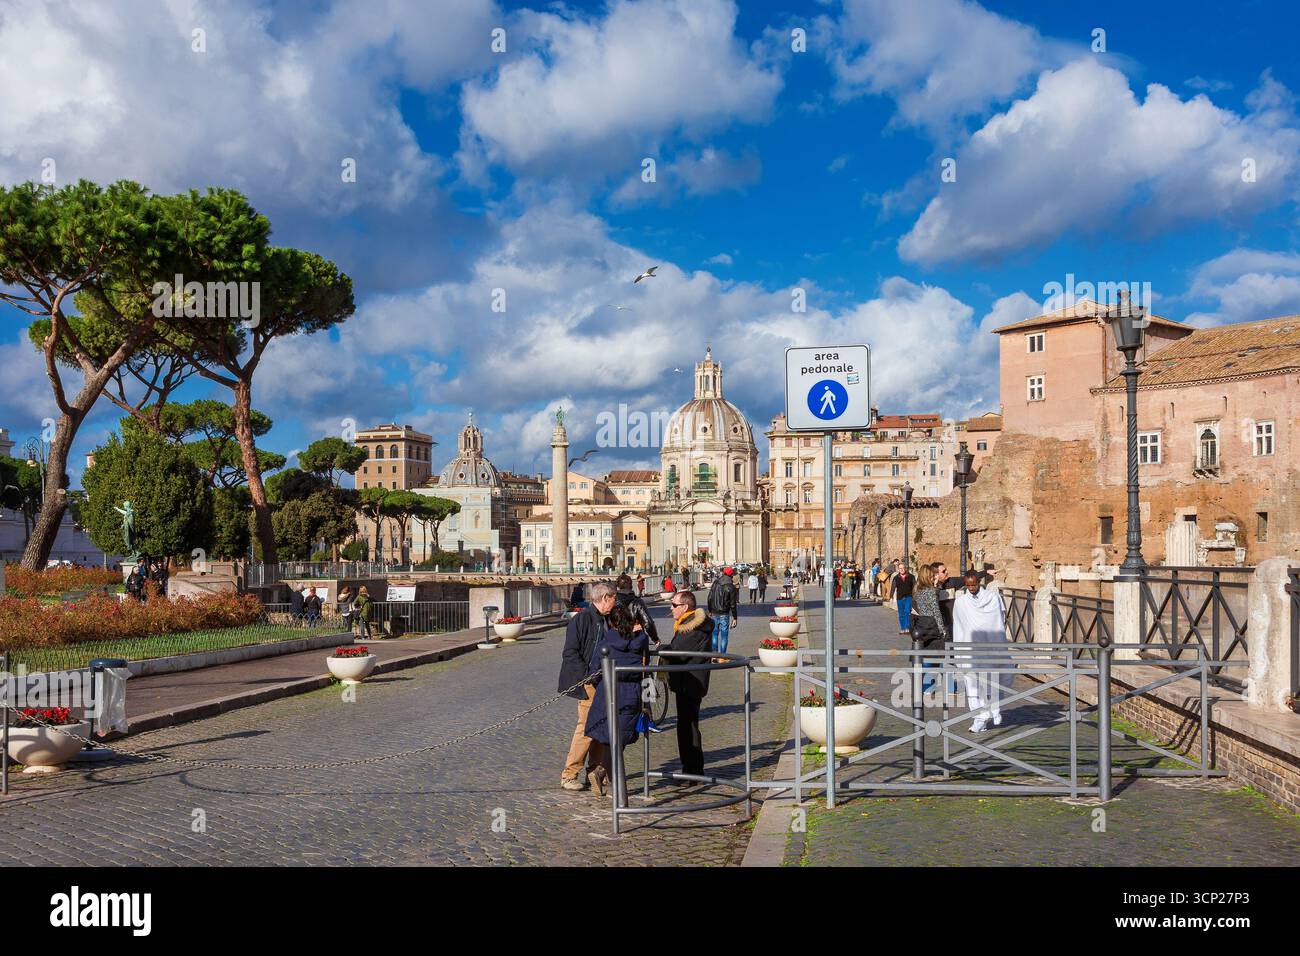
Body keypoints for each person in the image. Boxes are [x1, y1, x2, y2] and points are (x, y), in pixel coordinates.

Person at [584, 603, 651, 799]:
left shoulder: (606, 642)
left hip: (609, 692)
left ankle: (611, 782)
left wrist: (601, 686)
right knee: (619, 737)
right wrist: (648, 699)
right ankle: (608, 778)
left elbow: (594, 670)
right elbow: (647, 668)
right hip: (632, 692)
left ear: (612, 622)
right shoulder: (641, 640)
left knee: (610, 738)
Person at [558, 581, 616, 791]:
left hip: (603, 680)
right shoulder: (581, 620)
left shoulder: (608, 620)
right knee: (585, 727)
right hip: (588, 680)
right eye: (614, 598)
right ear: (605, 598)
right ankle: (569, 774)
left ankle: (595, 770)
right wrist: (586, 676)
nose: (615, 602)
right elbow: (570, 653)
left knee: (600, 725)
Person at [952, 569, 1013, 733]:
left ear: (978, 582)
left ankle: (994, 709)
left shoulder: (993, 598)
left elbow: (999, 619)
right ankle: (979, 718)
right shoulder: (961, 602)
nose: (971, 588)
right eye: (968, 585)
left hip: (989, 645)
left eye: (973, 584)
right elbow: (959, 625)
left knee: (991, 679)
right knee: (972, 684)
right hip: (969, 647)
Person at [665, 590, 712, 781]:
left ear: (685, 607)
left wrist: (661, 649)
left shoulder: (693, 628)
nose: (671, 608)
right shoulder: (689, 624)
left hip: (690, 682)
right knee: (687, 725)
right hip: (688, 680)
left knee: (688, 727)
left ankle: (693, 771)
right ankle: (691, 769)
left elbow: (678, 651)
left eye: (674, 605)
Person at [909, 564, 947, 693]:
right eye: (932, 576)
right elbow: (936, 611)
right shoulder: (931, 591)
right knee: (942, 656)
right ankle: (949, 685)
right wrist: (943, 629)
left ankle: (926, 687)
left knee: (924, 656)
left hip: (921, 625)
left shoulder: (916, 590)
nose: (933, 578)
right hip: (932, 625)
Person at [614, 573, 659, 645]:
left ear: (618, 586)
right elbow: (648, 623)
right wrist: (655, 638)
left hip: (616, 639)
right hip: (635, 638)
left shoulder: (613, 601)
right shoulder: (637, 602)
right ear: (631, 585)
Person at [706, 567, 739, 654]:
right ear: (731, 575)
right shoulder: (731, 587)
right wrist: (735, 618)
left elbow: (709, 598)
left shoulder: (716, 583)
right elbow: (733, 604)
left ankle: (714, 655)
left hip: (714, 612)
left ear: (723, 573)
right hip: (724, 613)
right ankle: (723, 657)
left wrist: (710, 610)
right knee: (724, 636)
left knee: (714, 634)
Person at [890, 564, 914, 635]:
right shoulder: (896, 578)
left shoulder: (911, 577)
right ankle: (902, 628)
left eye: (903, 568)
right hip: (899, 598)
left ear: (905, 568)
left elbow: (915, 587)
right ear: (898, 569)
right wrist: (891, 597)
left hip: (908, 597)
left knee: (907, 611)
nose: (902, 569)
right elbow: (893, 588)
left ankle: (907, 627)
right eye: (900, 568)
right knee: (901, 614)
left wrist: (915, 596)